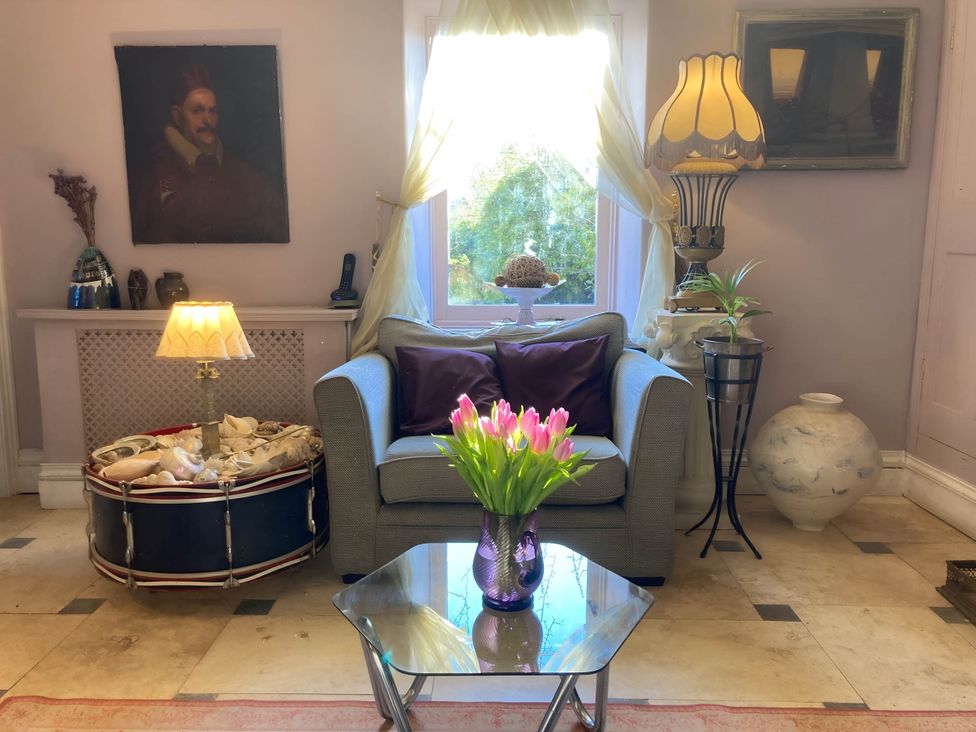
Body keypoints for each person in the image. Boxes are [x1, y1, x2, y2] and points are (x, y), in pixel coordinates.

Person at [130, 63, 288, 243]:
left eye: (212, 111)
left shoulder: (241, 172)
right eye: (197, 111)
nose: (207, 120)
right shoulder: (153, 171)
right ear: (177, 115)